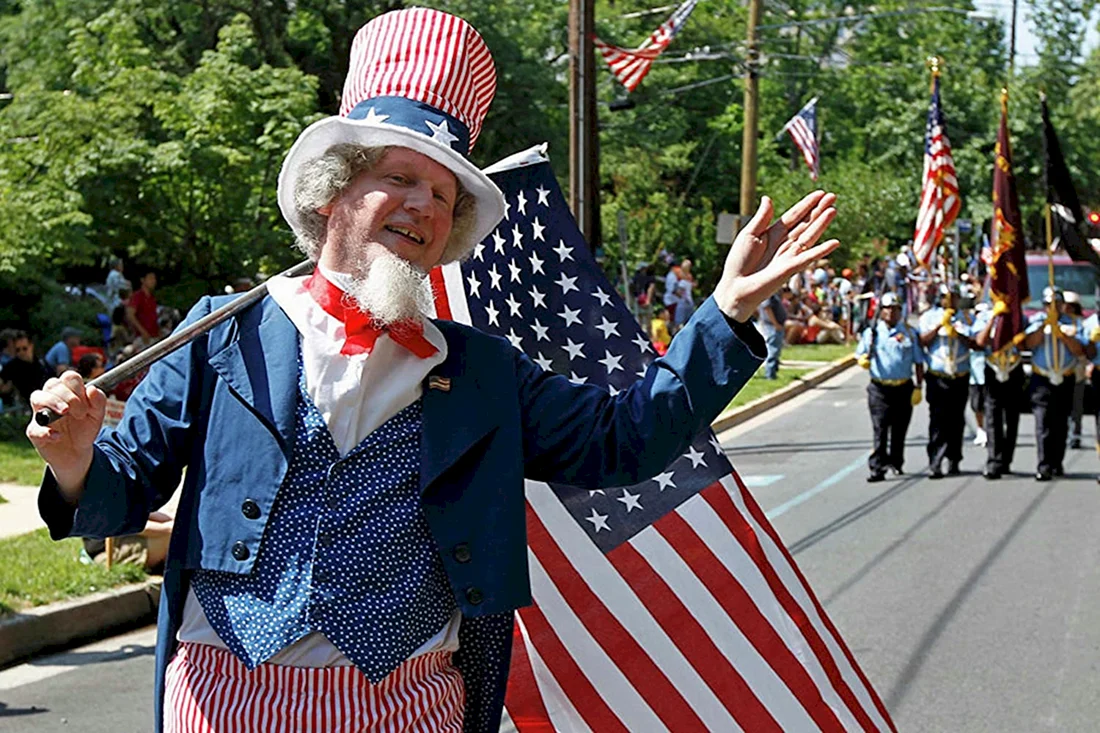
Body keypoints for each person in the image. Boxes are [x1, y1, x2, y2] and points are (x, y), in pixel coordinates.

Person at [26, 10, 841, 732]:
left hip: (409, 703)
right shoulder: (220, 330)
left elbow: (626, 440)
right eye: (399, 178)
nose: (423, 205)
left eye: (444, 194)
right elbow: (113, 493)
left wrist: (725, 313)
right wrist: (73, 461)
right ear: (334, 194)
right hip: (223, 698)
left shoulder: (481, 370)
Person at [1024, 287, 1091, 481]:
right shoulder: (1036, 321)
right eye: (1049, 304)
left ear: (1064, 305)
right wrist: (1045, 325)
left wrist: (1061, 334)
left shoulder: (1073, 323)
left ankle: (1057, 462)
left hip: (1065, 376)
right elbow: (1029, 343)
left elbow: (1080, 349)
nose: (1053, 307)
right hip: (1042, 377)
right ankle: (1043, 465)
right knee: (1042, 422)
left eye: (1057, 304)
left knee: (1060, 422)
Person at [856, 292, 924, 482]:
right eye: (887, 309)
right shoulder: (872, 333)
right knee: (880, 428)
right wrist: (862, 360)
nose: (891, 313)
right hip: (880, 388)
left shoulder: (910, 332)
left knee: (900, 428)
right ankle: (877, 467)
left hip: (903, 387)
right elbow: (860, 353)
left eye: (895, 309)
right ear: (881, 311)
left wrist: (919, 386)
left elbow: (918, 361)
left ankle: (896, 461)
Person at [918, 284, 974, 478]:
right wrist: (940, 325)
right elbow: (922, 341)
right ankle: (935, 461)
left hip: (959, 376)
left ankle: (954, 459)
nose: (950, 301)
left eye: (954, 297)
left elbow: (975, 343)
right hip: (937, 377)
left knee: (957, 420)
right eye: (946, 297)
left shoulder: (967, 317)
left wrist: (957, 332)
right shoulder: (929, 317)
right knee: (938, 420)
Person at [972, 299, 1024, 479]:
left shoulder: (1018, 315)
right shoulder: (985, 315)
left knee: (1012, 417)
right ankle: (994, 460)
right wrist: (994, 317)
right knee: (992, 415)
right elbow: (980, 341)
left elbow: (1025, 344)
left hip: (1013, 368)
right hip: (993, 368)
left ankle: (1007, 460)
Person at [0, 331, 51, 409]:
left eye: (24, 348)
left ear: (31, 346)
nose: (21, 352)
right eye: (18, 350)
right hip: (26, 408)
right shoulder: (12, 366)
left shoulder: (42, 363)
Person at [1064, 291, 1088, 449]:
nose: (1068, 309)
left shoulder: (1080, 324)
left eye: (1071, 306)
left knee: (1076, 405)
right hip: (1062, 368)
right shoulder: (1059, 321)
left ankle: (1075, 434)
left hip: (1078, 368)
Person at [757, 289, 787, 379]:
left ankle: (774, 371)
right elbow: (767, 309)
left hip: (775, 325)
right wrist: (775, 324)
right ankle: (770, 374)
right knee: (773, 349)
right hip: (771, 326)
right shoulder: (767, 294)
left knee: (776, 349)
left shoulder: (773, 294)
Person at [128, 270, 160, 342]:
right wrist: (142, 331)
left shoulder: (152, 297)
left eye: (154, 279)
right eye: (150, 278)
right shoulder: (137, 296)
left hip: (154, 335)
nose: (153, 281)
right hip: (142, 337)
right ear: (143, 280)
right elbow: (130, 315)